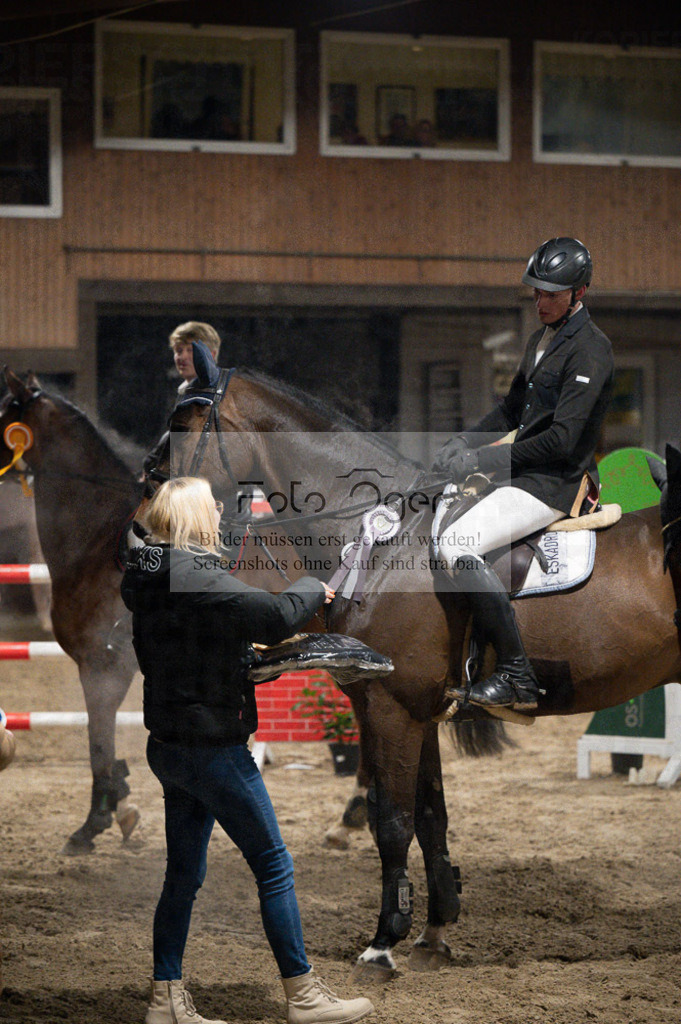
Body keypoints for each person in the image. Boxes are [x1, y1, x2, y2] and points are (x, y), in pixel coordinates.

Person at [122, 477, 374, 1024]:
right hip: (212, 748)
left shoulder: (149, 575)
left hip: (168, 744)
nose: (217, 510)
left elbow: (198, 637)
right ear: (192, 516)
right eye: (210, 504)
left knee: (183, 876)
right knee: (274, 865)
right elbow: (276, 614)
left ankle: (165, 999)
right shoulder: (191, 572)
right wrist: (313, 586)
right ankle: (304, 996)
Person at [432, 237, 614, 711]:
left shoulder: (591, 350)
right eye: (536, 292)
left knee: (457, 543)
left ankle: (517, 675)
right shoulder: (541, 339)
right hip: (522, 473)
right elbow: (512, 409)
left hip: (555, 483)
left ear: (580, 292)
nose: (540, 301)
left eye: (551, 294)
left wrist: (482, 461)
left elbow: (561, 441)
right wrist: (464, 440)